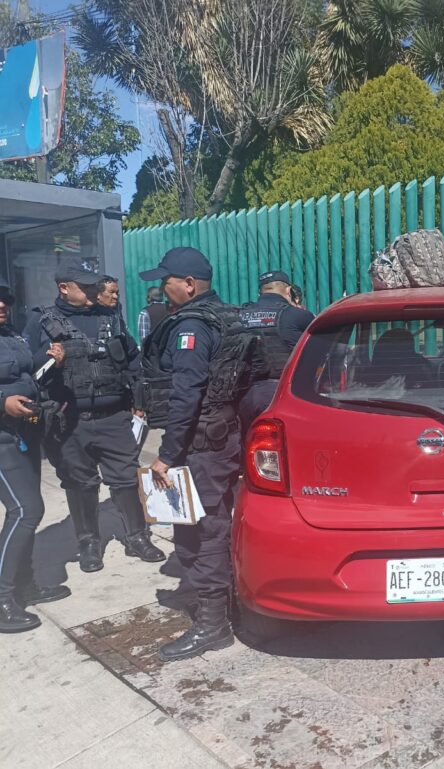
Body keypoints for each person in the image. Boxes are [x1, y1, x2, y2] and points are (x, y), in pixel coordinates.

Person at [138, 247, 256, 661]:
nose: (161, 287)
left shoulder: (192, 326)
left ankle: (212, 626)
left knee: (200, 530)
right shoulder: (229, 316)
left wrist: (167, 455)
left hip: (200, 444)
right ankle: (222, 604)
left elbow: (186, 393)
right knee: (214, 522)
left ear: (188, 284)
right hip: (223, 437)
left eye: (166, 280)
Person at [23, 264, 165, 572]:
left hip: (114, 417)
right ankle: (88, 542)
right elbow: (28, 370)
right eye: (85, 287)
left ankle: (137, 537)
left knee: (125, 478)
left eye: (93, 286)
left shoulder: (109, 317)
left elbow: (131, 360)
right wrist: (50, 360)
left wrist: (139, 401)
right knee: (79, 482)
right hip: (69, 420)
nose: (92, 292)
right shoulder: (41, 322)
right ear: (64, 288)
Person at [0, 280, 72, 633]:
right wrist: (2, 404)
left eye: (4, 299)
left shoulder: (12, 335)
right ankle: (3, 598)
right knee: (26, 511)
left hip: (25, 433)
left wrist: (50, 361)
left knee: (27, 511)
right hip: (2, 438)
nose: (1, 305)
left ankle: (24, 584)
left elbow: (26, 376)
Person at [237, 271, 314, 436]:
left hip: (244, 397)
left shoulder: (240, 315)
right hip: (282, 395)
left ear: (261, 291)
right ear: (289, 290)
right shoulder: (298, 315)